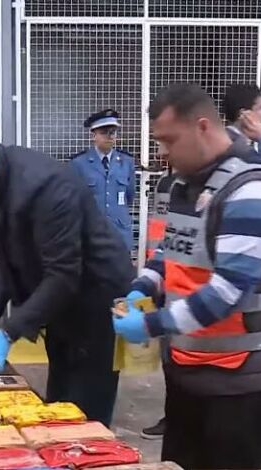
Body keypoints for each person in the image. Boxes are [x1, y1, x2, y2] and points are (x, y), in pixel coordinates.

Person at [0, 121, 134, 427]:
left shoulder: (46, 187)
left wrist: (8, 332)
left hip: (94, 299)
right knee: (58, 404)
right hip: (60, 302)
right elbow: (6, 254)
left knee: (85, 415)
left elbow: (63, 274)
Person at [114, 83, 261, 469]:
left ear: (202, 127)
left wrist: (151, 324)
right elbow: (172, 252)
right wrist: (142, 287)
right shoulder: (185, 186)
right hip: (186, 373)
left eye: (168, 140)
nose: (162, 152)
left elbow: (227, 291)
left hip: (236, 385)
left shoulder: (247, 190)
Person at [138, 169, 177, 441]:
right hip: (164, 278)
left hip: (183, 286)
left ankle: (176, 417)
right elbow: (165, 239)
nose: (162, 151)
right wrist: (149, 280)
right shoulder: (166, 182)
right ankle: (173, 416)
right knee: (169, 360)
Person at [70, 109, 136, 252]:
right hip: (91, 233)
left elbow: (129, 196)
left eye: (113, 132)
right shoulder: (79, 164)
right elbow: (74, 200)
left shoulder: (126, 162)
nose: (109, 136)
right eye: (104, 132)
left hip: (119, 233)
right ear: (94, 135)